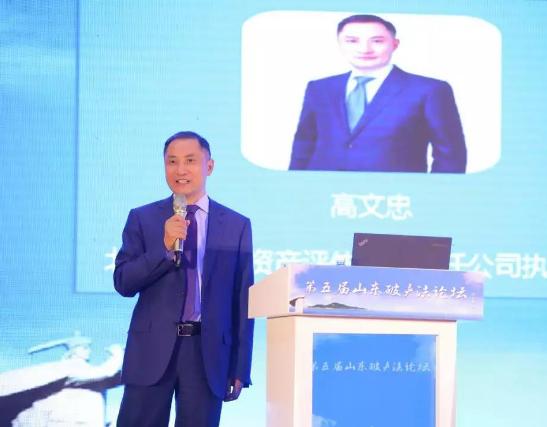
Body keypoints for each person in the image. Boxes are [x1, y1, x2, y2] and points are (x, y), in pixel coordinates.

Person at [113, 131, 254, 426]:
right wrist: (164, 247)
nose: (180, 170)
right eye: (172, 162)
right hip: (151, 350)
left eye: (190, 161)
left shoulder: (236, 225)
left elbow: (243, 299)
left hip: (207, 353)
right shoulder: (143, 218)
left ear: (209, 166)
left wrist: (240, 366)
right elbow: (123, 281)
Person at [288, 14, 467, 173]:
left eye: (377, 41)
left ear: (394, 44)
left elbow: (450, 154)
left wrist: (437, 193)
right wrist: (295, 186)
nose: (364, 49)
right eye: (352, 41)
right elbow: (304, 143)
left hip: (394, 193)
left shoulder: (429, 89)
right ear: (340, 44)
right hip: (323, 189)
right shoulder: (320, 88)